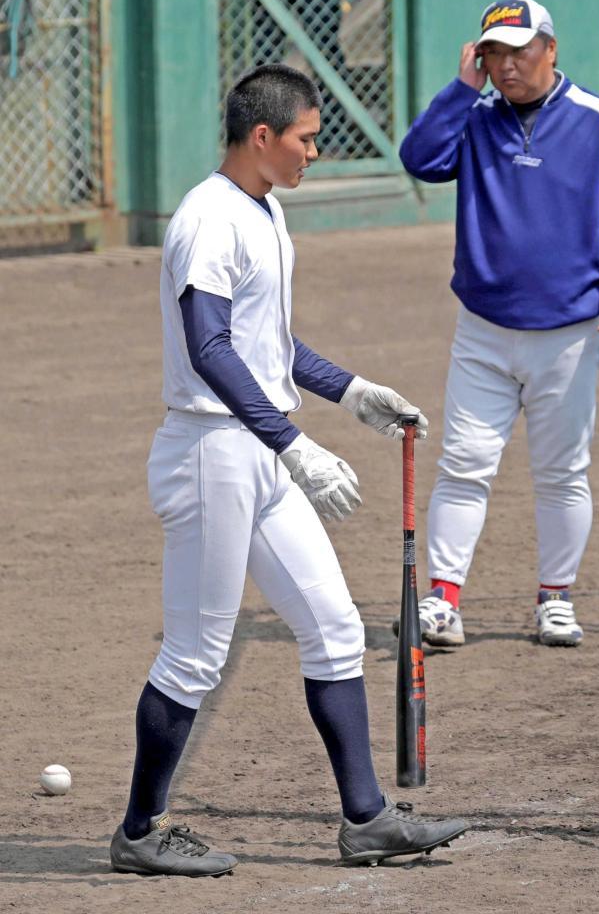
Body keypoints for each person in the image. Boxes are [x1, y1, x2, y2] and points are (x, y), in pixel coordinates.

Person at [109, 64, 466, 877]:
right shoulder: (208, 220)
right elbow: (210, 351)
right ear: (262, 137)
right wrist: (292, 444)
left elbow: (267, 342)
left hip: (253, 452)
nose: (315, 151)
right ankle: (138, 830)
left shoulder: (262, 208)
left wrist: (352, 391)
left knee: (334, 629)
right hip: (213, 455)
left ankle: (367, 819)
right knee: (196, 655)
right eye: (306, 137)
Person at [397, 0, 599, 649]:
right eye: (493, 53)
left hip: (569, 336)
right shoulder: (474, 116)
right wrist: (461, 89)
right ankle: (443, 599)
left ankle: (555, 599)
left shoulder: (598, 121)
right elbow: (420, 159)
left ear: (550, 48)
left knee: (562, 470)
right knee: (462, 464)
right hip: (483, 330)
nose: (506, 65)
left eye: (519, 50)